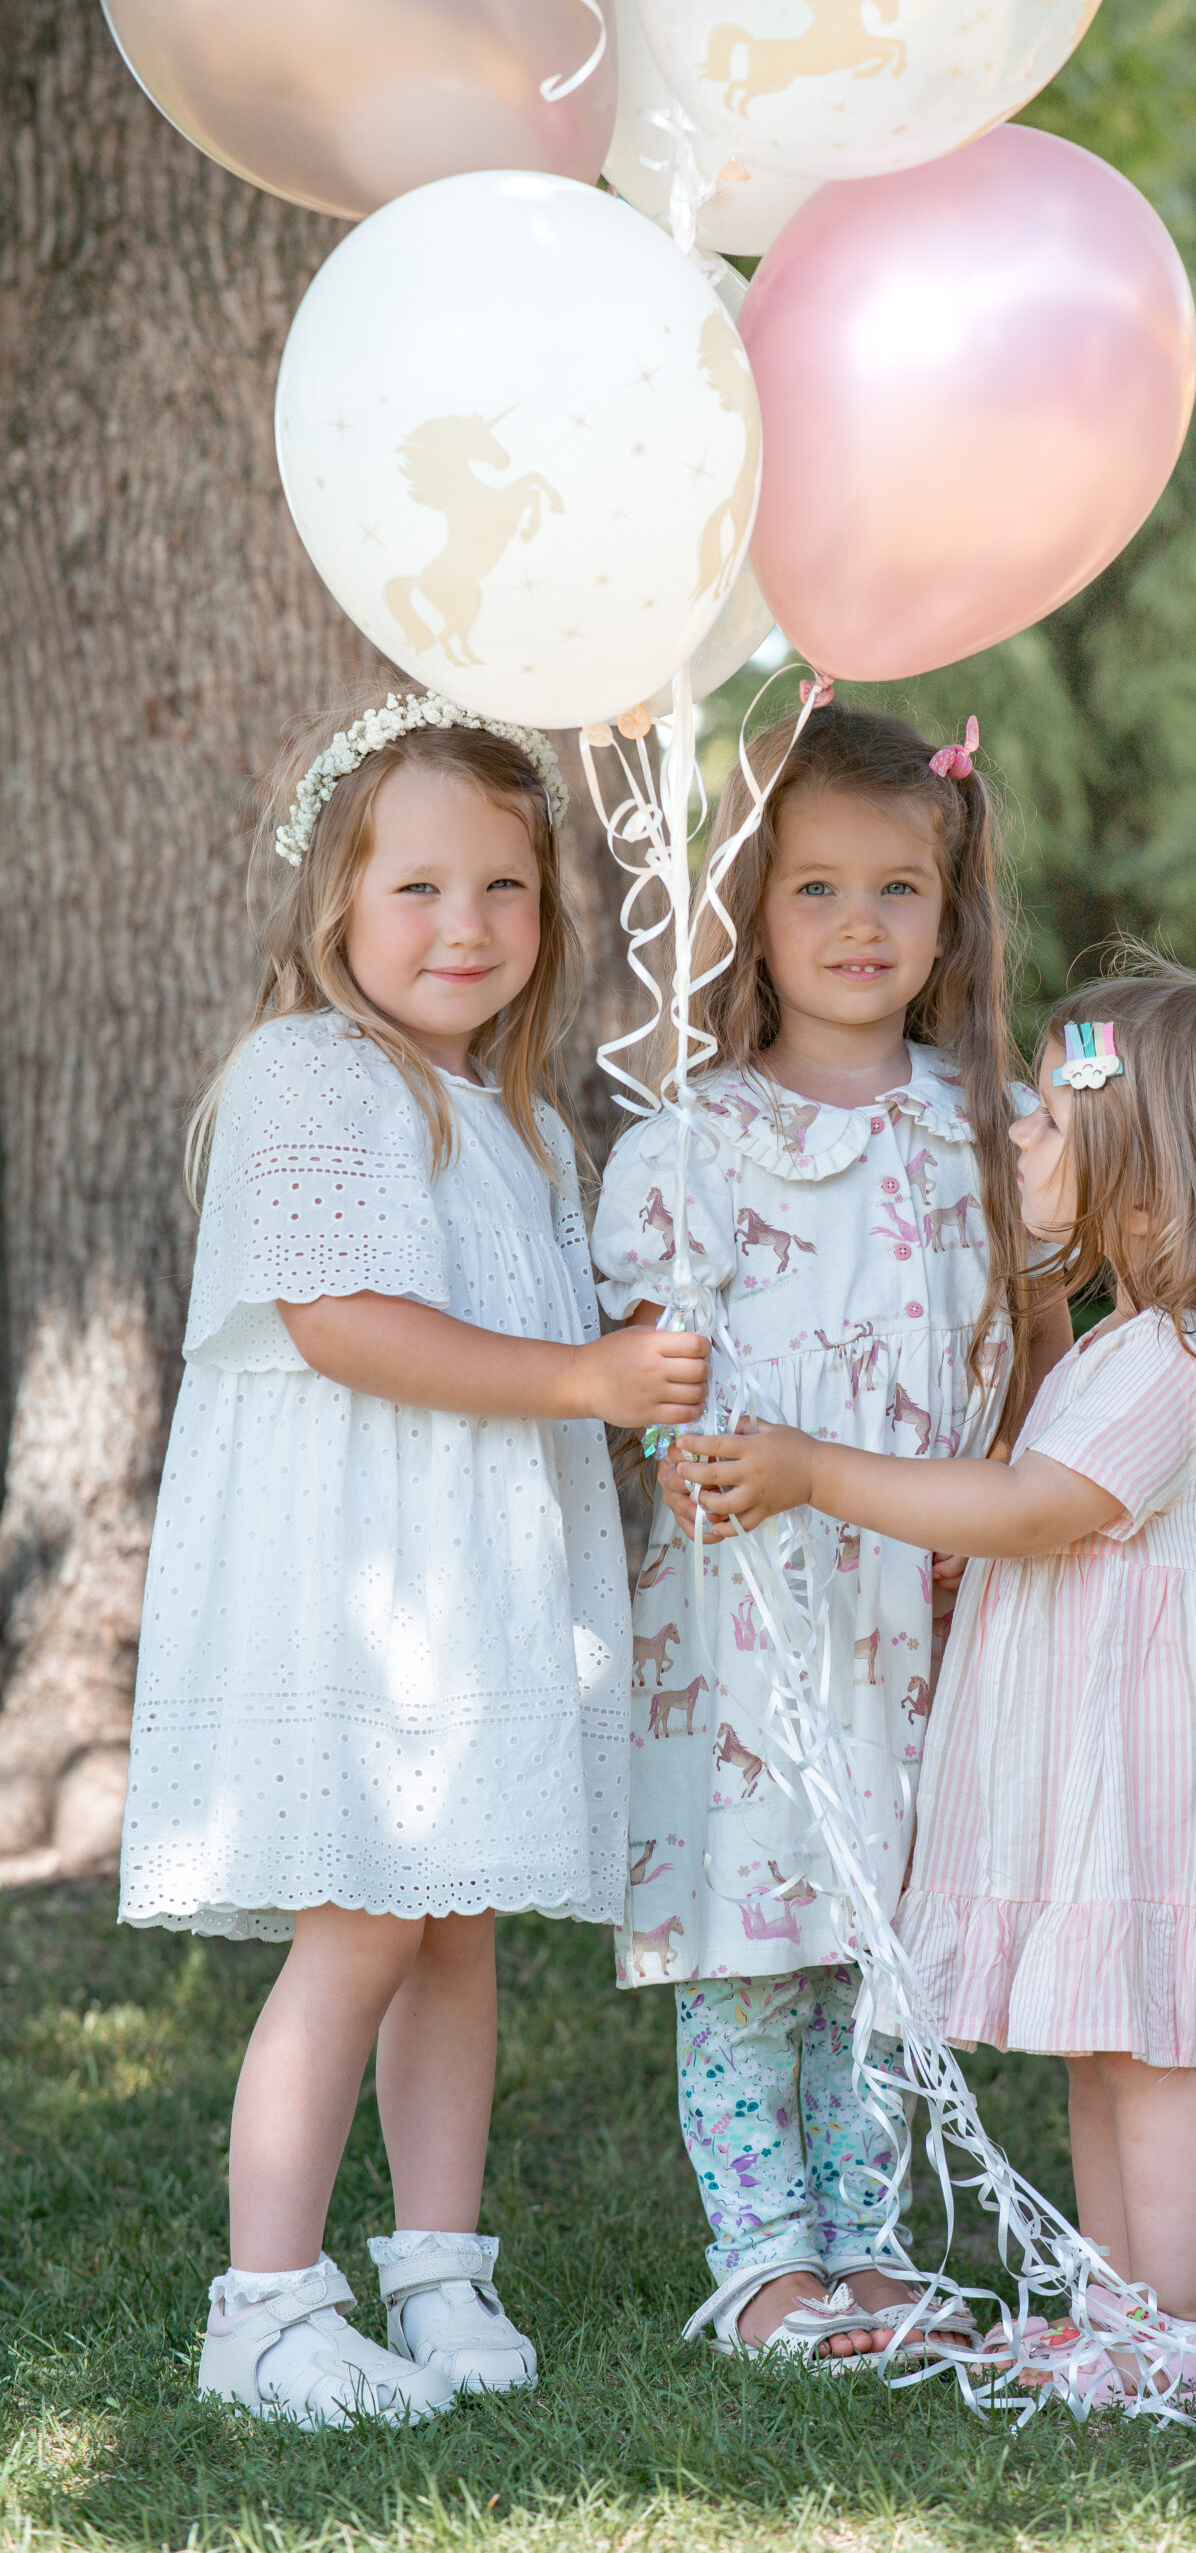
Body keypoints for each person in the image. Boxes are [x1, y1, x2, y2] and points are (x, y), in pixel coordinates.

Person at [665, 956, 1196, 2406]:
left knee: (1155, 2045)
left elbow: (1038, 1506)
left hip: (1155, 1751)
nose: (1019, 1130)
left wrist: (815, 1471)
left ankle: (1185, 2332)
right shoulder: (1140, 1344)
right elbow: (1050, 1517)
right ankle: (1117, 2316)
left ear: (1154, 1189)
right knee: (1105, 2039)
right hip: (1104, 1740)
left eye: (1055, 1124)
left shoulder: (1174, 1358)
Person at [118, 690, 709, 2428]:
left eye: (506, 887)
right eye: (421, 889)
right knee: (365, 1925)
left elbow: (539, 1349)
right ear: (338, 907)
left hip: (476, 1585)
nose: (469, 926)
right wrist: (583, 1380)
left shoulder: (519, 1121)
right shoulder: (310, 1075)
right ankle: (263, 2308)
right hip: (361, 1584)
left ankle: (439, 2267)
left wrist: (634, 1352)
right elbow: (346, 1323)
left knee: (456, 1930)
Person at [590, 701, 1071, 2367]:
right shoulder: (696, 1141)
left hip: (924, 1582)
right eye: (814, 888)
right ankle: (766, 2265)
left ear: (949, 915)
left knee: (889, 1933)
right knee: (753, 1925)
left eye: (896, 890)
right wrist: (673, 1440)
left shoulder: (994, 1125)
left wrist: (1004, 1479)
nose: (858, 924)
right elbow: (648, 1369)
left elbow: (1037, 1340)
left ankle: (870, 2250)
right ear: (751, 909)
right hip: (753, 1600)